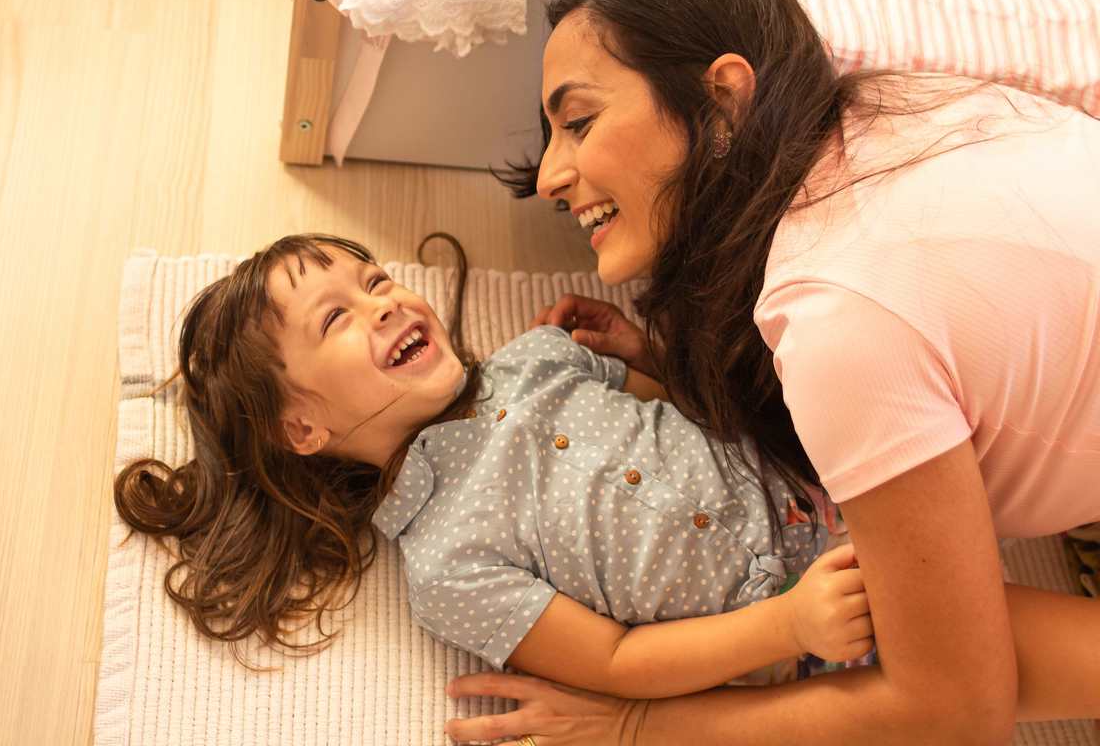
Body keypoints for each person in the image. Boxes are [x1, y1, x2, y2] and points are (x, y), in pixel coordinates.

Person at [445, 0, 1100, 742]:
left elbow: (957, 710)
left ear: (723, 97)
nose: (551, 176)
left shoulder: (838, 316)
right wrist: (670, 367)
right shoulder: (898, 104)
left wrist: (638, 727)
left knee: (905, 617)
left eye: (579, 123)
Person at [114, 231, 877, 701]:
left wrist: (645, 352)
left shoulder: (541, 355)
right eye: (336, 317)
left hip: (837, 478)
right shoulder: (445, 565)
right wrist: (786, 624)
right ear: (303, 428)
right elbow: (616, 662)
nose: (383, 303)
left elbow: (700, 414)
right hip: (802, 651)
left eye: (375, 280)